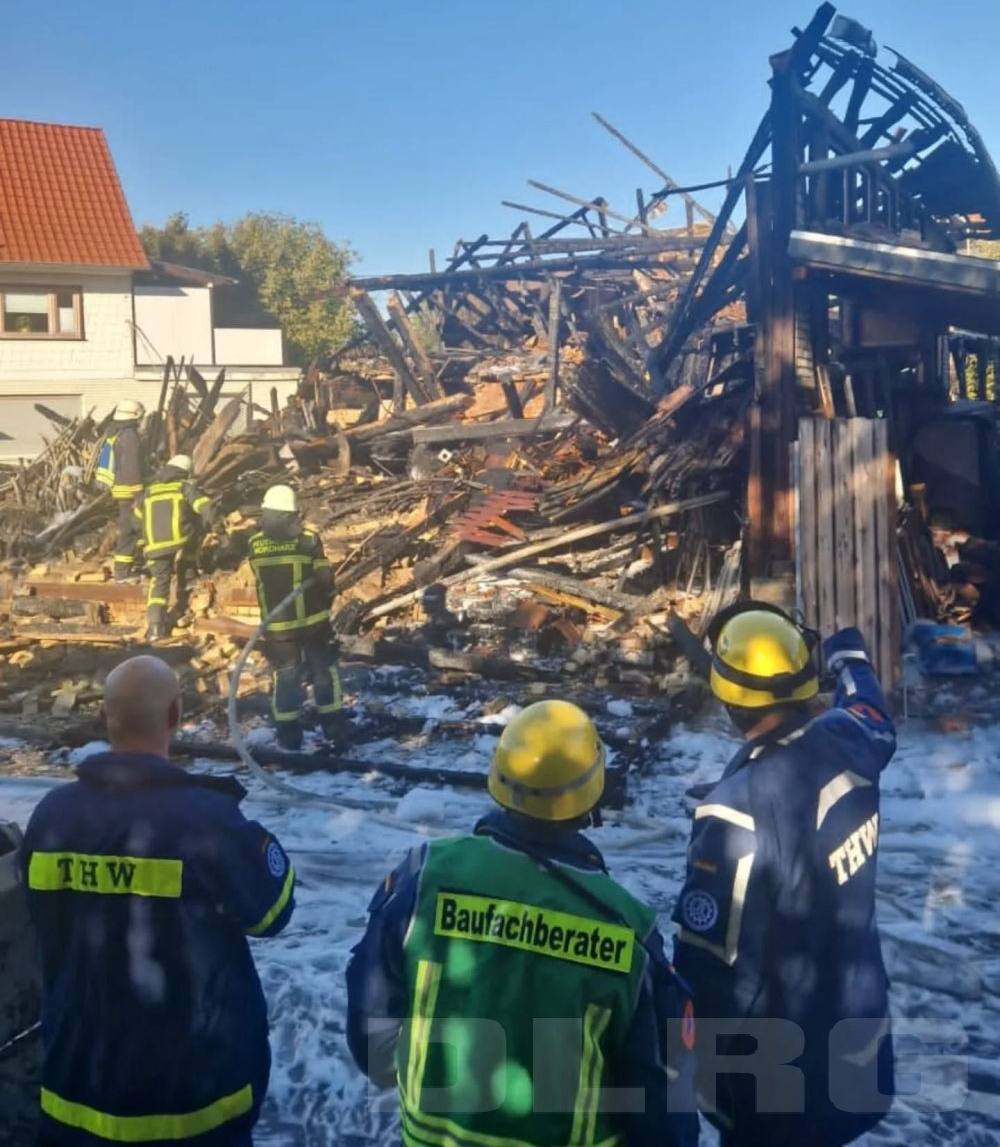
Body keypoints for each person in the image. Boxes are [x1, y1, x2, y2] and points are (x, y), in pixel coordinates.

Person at [346, 699, 700, 1147]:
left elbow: (371, 1034)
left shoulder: (424, 876)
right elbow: (661, 1105)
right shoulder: (628, 929)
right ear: (592, 791)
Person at [22, 655, 295, 1147]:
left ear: (103, 717)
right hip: (194, 1105)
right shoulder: (208, 821)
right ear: (175, 714)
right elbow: (273, 915)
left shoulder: (50, 816)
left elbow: (39, 917)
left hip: (75, 1094)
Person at [672, 605, 896, 1147]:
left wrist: (694, 1073)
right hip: (858, 1036)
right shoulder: (851, 738)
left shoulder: (735, 810)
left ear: (729, 701)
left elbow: (715, 970)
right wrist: (848, 653)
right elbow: (872, 711)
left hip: (778, 1078)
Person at [247, 484, 339, 750]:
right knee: (324, 671)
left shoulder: (255, 543)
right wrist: (327, 599)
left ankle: (289, 738)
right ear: (291, 514)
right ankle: (333, 728)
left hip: (276, 628)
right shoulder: (308, 540)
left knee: (286, 677)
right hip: (313, 623)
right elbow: (325, 578)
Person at [135, 454, 215, 641]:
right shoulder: (183, 487)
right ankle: (188, 575)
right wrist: (216, 523)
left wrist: (143, 541)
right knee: (197, 529)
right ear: (185, 472)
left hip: (154, 544)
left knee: (159, 582)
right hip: (180, 540)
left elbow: (138, 515)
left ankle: (155, 629)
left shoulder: (149, 491)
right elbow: (203, 506)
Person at [94, 400, 147, 582]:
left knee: (135, 530)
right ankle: (122, 572)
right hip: (131, 493)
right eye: (141, 417)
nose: (142, 421)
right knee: (131, 531)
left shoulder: (117, 434)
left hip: (122, 492)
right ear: (135, 416)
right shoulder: (130, 437)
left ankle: (133, 565)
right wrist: (139, 495)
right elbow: (132, 468)